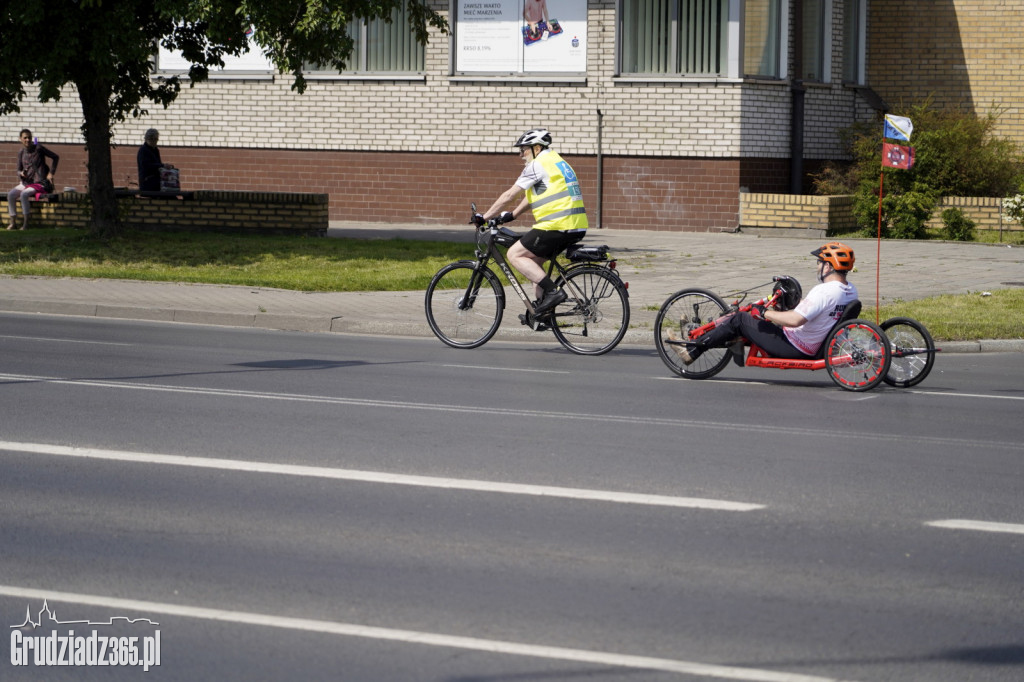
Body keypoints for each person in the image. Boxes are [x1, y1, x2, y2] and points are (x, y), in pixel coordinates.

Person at [670, 242, 859, 364]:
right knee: (755, 320)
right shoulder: (849, 291)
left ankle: (691, 350)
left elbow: (795, 320)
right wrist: (792, 303)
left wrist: (763, 312)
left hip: (795, 346)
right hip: (811, 344)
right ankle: (721, 337)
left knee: (741, 318)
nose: (817, 266)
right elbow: (819, 310)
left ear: (828, 265)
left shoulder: (824, 291)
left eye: (819, 262)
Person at [480, 128, 588, 317]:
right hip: (575, 225)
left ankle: (553, 293)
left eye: (524, 149)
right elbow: (536, 195)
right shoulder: (557, 161)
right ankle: (543, 312)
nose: (521, 155)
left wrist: (484, 217)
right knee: (533, 263)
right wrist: (512, 215)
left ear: (536, 147)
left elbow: (509, 195)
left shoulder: (538, 164)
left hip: (556, 225)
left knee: (515, 255)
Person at [7, 129, 59, 231]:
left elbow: (55, 157)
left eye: (29, 137)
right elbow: (18, 170)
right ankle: (13, 223)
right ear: (20, 139)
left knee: (24, 194)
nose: (28, 140)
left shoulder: (39, 148)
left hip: (39, 183)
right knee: (11, 194)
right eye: (25, 138)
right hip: (26, 183)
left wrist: (51, 173)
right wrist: (21, 173)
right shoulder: (21, 152)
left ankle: (26, 224)